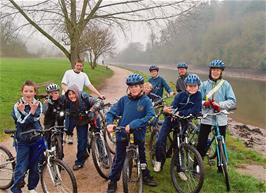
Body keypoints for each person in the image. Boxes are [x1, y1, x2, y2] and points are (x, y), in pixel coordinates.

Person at [106, 74, 157, 193]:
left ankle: (145, 175)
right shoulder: (124, 100)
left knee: (142, 156)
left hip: (138, 133)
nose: (133, 88)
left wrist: (134, 124)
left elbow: (151, 116)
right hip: (122, 132)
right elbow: (111, 112)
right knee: (119, 158)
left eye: (136, 86)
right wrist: (109, 123)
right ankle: (113, 181)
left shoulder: (146, 101)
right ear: (128, 87)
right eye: (131, 86)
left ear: (141, 87)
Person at [154, 74, 202, 178]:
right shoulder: (180, 95)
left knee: (179, 146)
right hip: (171, 119)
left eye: (194, 86)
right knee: (160, 140)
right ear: (186, 86)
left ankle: (180, 169)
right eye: (189, 86)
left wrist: (181, 113)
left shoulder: (199, 96)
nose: (192, 88)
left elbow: (196, 109)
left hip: (183, 121)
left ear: (198, 86)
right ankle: (158, 160)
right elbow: (173, 107)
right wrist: (168, 111)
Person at [196, 59, 236, 173]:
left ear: (221, 71)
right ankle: (197, 165)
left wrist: (220, 105)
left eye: (218, 70)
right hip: (207, 117)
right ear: (210, 70)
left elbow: (232, 101)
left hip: (221, 118)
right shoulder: (203, 85)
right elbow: (197, 99)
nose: (215, 72)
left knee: (221, 143)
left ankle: (220, 165)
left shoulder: (226, 85)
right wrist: (205, 103)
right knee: (202, 143)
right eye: (213, 69)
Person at [61, 59, 105, 144]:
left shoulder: (84, 75)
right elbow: (63, 84)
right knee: (68, 116)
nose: (79, 67)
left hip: (78, 98)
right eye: (77, 65)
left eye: (81, 66)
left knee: (80, 116)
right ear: (74, 65)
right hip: (69, 97)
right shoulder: (68, 73)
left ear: (82, 66)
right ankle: (68, 134)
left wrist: (99, 95)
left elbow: (89, 85)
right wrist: (69, 94)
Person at [11, 80, 43, 193]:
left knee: (36, 166)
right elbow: (21, 123)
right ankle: (15, 189)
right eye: (26, 91)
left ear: (35, 92)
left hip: (36, 138)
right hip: (23, 140)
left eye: (31, 91)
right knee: (21, 167)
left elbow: (35, 119)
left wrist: (27, 112)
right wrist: (31, 111)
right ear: (22, 92)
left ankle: (32, 187)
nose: (28, 93)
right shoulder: (16, 106)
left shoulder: (38, 104)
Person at [64, 84, 103, 170]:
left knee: (98, 136)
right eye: (69, 94)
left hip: (92, 117)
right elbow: (67, 115)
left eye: (73, 93)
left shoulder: (84, 97)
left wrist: (91, 110)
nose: (71, 96)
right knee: (81, 142)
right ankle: (80, 161)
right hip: (81, 121)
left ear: (77, 93)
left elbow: (99, 102)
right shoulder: (67, 101)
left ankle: (104, 157)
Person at [43, 83, 65, 151]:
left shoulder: (61, 100)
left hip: (59, 120)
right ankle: (47, 150)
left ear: (59, 92)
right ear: (48, 94)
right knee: (47, 135)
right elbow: (44, 112)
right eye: (51, 93)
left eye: (56, 93)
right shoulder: (46, 102)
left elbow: (65, 109)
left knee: (60, 136)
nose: (54, 95)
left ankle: (60, 152)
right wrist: (49, 105)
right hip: (49, 121)